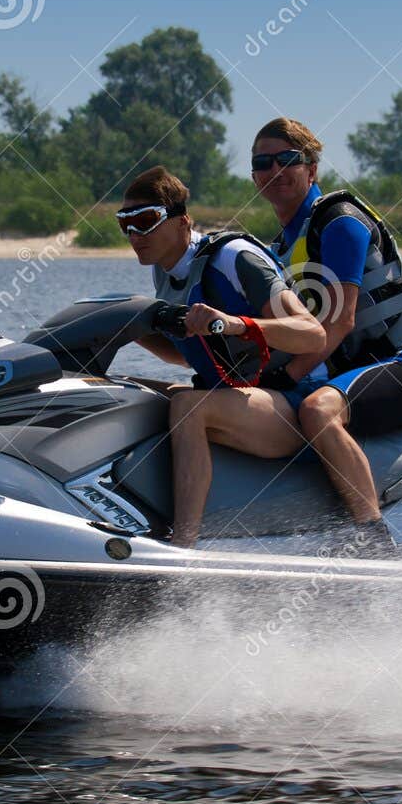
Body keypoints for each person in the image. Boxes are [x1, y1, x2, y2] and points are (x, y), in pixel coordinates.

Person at [251, 117, 402, 550]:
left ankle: (374, 539)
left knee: (316, 411)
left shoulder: (339, 222)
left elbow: (341, 321)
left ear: (311, 169)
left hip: (400, 367)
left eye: (287, 159)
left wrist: (291, 376)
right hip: (340, 374)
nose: (274, 170)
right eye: (262, 162)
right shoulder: (279, 246)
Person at [121, 165, 324, 548]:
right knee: (129, 389)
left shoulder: (234, 258)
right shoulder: (163, 275)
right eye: (125, 224)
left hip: (291, 403)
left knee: (187, 407)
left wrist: (234, 324)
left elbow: (313, 334)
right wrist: (129, 333)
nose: (135, 235)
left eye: (146, 221)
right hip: (238, 396)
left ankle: (183, 548)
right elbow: (187, 359)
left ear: (182, 221)